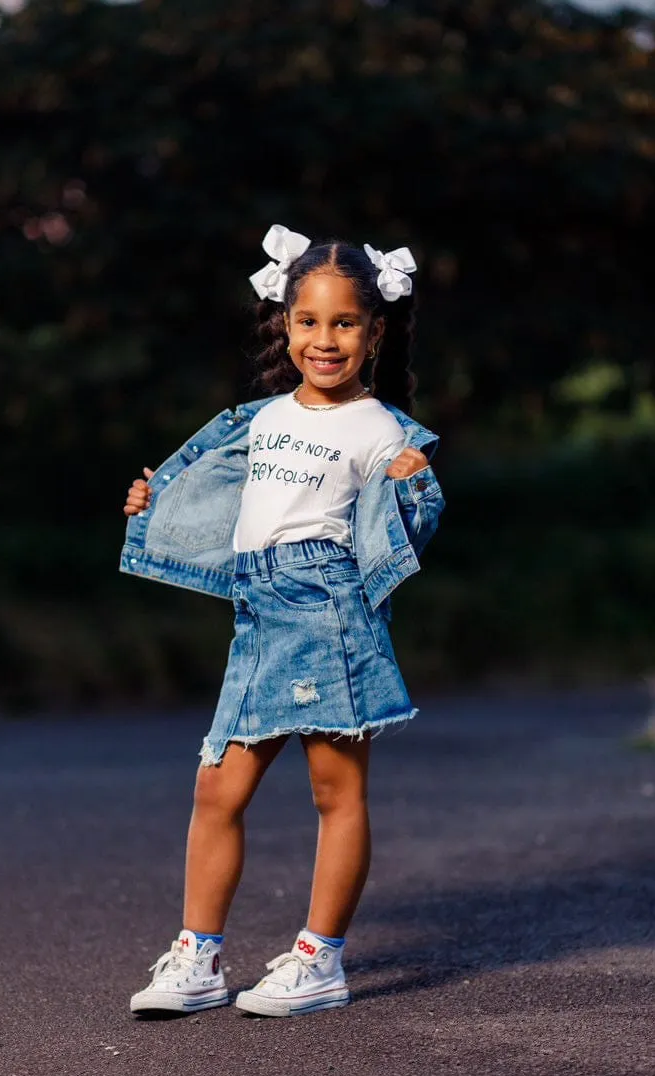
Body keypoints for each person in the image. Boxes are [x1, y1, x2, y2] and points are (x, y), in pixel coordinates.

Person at [121, 225, 445, 1018]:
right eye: (308, 321)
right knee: (215, 787)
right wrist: (154, 501)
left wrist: (413, 488)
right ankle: (198, 953)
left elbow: (408, 530)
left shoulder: (383, 431)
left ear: (374, 332)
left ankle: (320, 957)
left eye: (343, 323)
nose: (323, 340)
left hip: (327, 608)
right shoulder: (259, 418)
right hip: (258, 614)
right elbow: (221, 499)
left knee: (336, 790)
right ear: (285, 323)